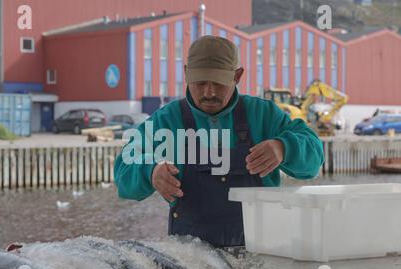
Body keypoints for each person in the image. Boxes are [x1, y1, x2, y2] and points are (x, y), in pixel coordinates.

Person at [114, 36, 324, 247]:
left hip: (263, 257)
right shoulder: (166, 120)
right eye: (200, 83)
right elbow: (125, 169)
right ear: (186, 74)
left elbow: (314, 158)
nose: (209, 93)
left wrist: (284, 147)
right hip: (192, 262)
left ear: (237, 76)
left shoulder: (264, 115)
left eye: (218, 83)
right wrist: (150, 171)